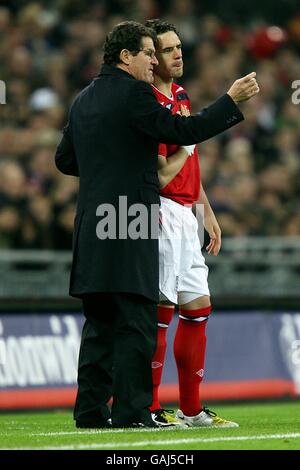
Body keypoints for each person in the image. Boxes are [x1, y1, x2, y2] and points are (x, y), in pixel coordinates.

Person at [55, 20, 259, 429]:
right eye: (148, 53)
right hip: (134, 217)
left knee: (99, 322)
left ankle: (92, 412)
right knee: (137, 317)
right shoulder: (135, 94)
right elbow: (182, 130)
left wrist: (108, 167)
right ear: (126, 56)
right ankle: (134, 412)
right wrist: (229, 101)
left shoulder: (83, 99)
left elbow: (65, 160)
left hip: (93, 220)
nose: (153, 60)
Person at [144, 19, 244, 428]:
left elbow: (190, 164)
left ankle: (190, 409)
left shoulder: (181, 95)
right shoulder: (147, 103)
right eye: (168, 50)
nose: (178, 54)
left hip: (188, 213)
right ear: (151, 58)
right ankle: (147, 408)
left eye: (179, 47)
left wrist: (207, 214)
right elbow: (164, 171)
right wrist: (188, 143)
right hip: (160, 212)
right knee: (161, 309)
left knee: (198, 306)